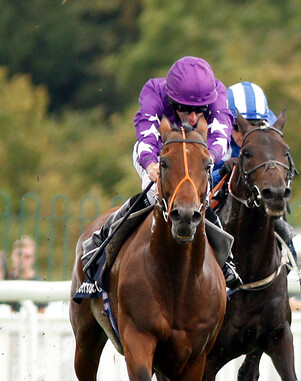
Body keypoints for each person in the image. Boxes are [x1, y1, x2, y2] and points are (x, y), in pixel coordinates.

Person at [80, 56, 240, 288]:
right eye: (186, 110)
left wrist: (207, 160)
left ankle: (227, 263)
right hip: (158, 155)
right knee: (153, 193)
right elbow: (146, 132)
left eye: (200, 111)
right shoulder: (154, 91)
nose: (194, 117)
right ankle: (101, 247)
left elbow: (221, 136)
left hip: (197, 158)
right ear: (172, 99)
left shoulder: (217, 93)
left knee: (200, 200)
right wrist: (149, 164)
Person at [211, 81, 297, 253]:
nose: (245, 134)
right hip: (216, 200)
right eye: (238, 127)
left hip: (261, 202)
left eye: (255, 126)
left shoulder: (271, 136)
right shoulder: (213, 135)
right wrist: (220, 173)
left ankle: (289, 258)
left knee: (282, 226)